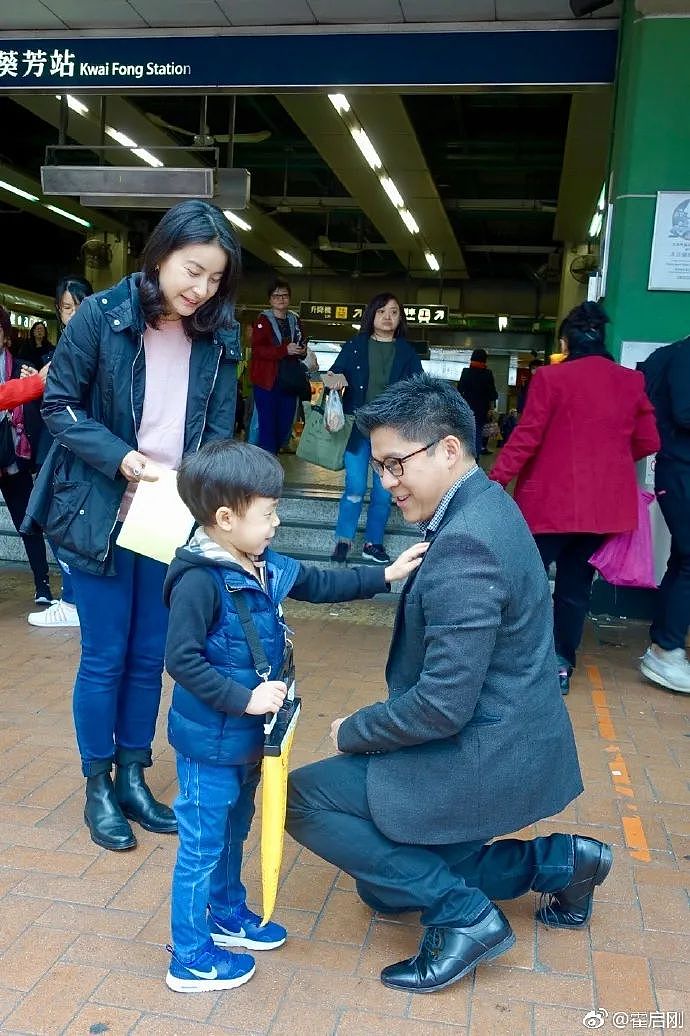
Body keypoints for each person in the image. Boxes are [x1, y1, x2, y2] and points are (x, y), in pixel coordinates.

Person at [286, 374, 610, 995]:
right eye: (379, 467)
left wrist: (356, 731)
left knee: (306, 800)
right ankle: (562, 862)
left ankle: (465, 920)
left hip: (482, 752)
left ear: (449, 449)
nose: (387, 482)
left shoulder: (467, 545)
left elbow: (441, 706)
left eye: (395, 464)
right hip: (510, 735)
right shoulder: (486, 502)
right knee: (384, 886)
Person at [163, 439, 427, 993]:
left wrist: (384, 577)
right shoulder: (199, 579)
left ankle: (225, 914)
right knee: (201, 846)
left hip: (247, 742)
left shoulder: (259, 563)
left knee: (234, 831)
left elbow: (319, 583)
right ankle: (188, 957)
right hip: (210, 742)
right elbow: (180, 660)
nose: (277, 524)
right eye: (269, 514)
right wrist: (243, 698)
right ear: (226, 518)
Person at [24, 200, 241, 852]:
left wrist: (207, 494)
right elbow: (58, 406)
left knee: (152, 655)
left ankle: (134, 774)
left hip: (167, 512)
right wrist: (121, 458)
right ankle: (98, 784)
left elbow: (221, 430)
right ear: (162, 253)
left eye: (213, 281)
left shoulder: (217, 336)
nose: (199, 289)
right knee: (106, 655)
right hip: (99, 507)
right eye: (192, 270)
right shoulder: (102, 316)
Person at [490, 302, 659, 694]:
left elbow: (527, 437)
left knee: (523, 580)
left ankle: (508, 658)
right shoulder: (630, 382)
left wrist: (495, 479)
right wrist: (609, 461)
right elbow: (650, 440)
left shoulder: (551, 379)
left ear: (565, 342)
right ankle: (560, 664)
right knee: (574, 587)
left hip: (549, 504)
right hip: (602, 511)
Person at [323, 293, 423, 566]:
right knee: (355, 486)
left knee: (383, 490)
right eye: (382, 312)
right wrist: (334, 379)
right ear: (372, 315)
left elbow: (420, 389)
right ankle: (343, 540)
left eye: (393, 312)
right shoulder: (355, 346)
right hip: (358, 429)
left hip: (391, 434)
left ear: (400, 318)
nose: (388, 317)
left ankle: (373, 543)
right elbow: (332, 374)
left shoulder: (407, 353)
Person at [27, 276, 94, 630]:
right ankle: (74, 599)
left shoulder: (94, 344)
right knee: (57, 521)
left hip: (80, 446)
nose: (73, 314)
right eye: (66, 308)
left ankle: (73, 601)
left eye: (80, 306)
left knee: (64, 522)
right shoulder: (63, 345)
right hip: (56, 443)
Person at [639, 336, 690, 693]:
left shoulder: (670, 355)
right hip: (683, 468)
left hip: (677, 468)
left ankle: (664, 644)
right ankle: (666, 649)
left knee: (683, 558)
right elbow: (685, 411)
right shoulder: (684, 358)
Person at [0, 306, 53, 605]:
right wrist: (34, 384)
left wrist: (39, 387)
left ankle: (42, 584)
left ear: (5, 336)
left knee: (28, 523)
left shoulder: (20, 366)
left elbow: (45, 408)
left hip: (14, 462)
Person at [249, 279, 308, 454]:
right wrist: (284, 350)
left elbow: (302, 342)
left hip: (289, 380)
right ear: (270, 300)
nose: (281, 299)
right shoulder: (262, 321)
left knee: (285, 423)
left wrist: (302, 351)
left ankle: (273, 454)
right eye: (276, 296)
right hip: (267, 381)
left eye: (284, 295)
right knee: (267, 423)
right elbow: (258, 350)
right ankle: (268, 460)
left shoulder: (295, 320)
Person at [457, 348, 497, 458]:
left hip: (466, 409)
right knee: (478, 435)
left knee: (465, 434)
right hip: (481, 411)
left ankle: (463, 458)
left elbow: (459, 390)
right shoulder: (487, 374)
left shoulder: (466, 372)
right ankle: (474, 461)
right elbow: (492, 394)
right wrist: (492, 407)